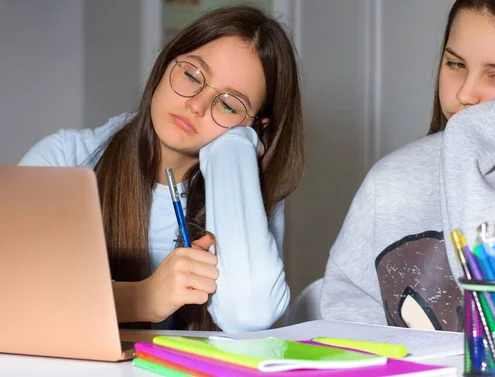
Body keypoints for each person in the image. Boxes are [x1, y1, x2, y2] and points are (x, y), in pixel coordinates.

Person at [19, 4, 304, 333]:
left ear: (255, 127)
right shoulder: (66, 159)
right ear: (167, 61)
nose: (195, 105)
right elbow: (14, 294)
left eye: (228, 104)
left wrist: (235, 151)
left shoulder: (241, 182)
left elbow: (249, 314)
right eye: (191, 75)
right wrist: (142, 298)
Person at [320, 0, 495, 333]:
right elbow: (346, 314)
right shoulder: (391, 179)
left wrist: (470, 141)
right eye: (455, 64)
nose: (465, 94)